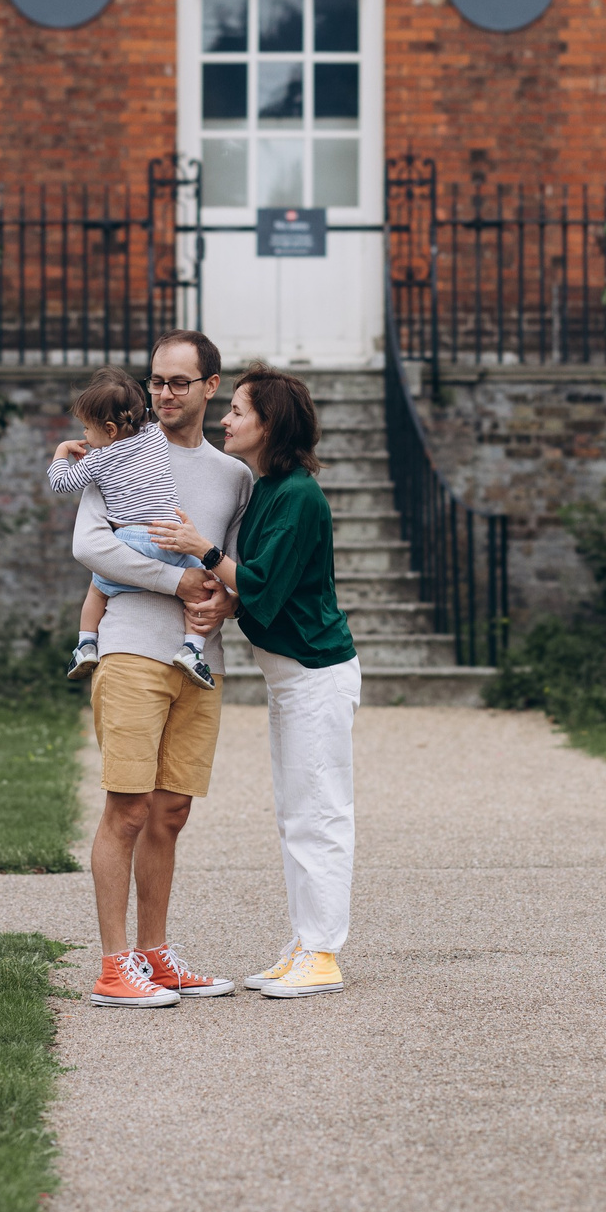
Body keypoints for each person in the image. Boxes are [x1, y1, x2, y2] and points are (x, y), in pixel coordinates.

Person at [151, 364, 358, 1000]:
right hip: (290, 677)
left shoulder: (298, 496)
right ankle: (304, 941)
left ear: (270, 424)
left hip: (316, 677)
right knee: (296, 812)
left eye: (238, 410)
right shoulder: (269, 487)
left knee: (319, 813)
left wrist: (203, 549)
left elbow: (262, 584)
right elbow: (256, 584)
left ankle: (323, 953)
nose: (226, 420)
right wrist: (225, 594)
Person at [75, 331, 252, 1009]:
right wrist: (175, 586)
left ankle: (156, 956)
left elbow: (231, 566)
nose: (165, 393)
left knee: (170, 811)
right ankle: (114, 967)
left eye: (180, 382)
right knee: (127, 808)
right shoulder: (118, 453)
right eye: (157, 381)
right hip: (130, 651)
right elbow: (88, 546)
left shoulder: (233, 475)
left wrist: (224, 603)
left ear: (211, 387)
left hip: (199, 662)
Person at [45, 366, 215, 689]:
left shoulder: (97, 460)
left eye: (86, 429)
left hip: (130, 537)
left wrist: (61, 452)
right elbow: (147, 413)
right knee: (202, 585)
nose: (84, 437)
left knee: (98, 588)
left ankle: (85, 644)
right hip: (170, 537)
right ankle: (192, 649)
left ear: (110, 430)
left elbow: (61, 482)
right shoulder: (153, 435)